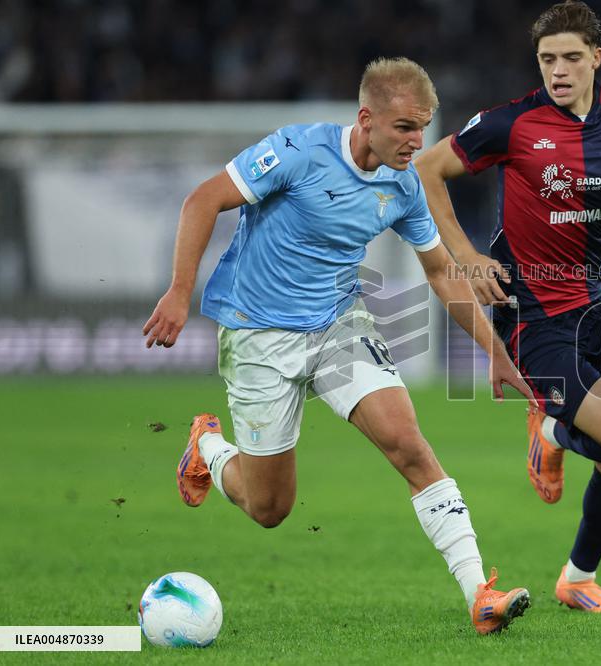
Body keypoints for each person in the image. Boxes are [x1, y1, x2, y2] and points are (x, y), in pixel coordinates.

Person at [141, 57, 533, 635]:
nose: (415, 141)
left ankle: (479, 593)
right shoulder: (298, 151)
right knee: (270, 509)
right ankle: (210, 450)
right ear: (366, 118)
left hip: (336, 323)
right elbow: (202, 200)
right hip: (257, 333)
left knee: (409, 443)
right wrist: (179, 291)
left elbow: (442, 272)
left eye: (422, 127)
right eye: (403, 127)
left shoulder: (404, 185)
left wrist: (494, 351)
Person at [415, 1, 601, 613]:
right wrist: (465, 255)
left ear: (596, 59)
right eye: (547, 58)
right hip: (530, 313)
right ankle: (551, 427)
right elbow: (427, 168)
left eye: (571, 58)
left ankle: (577, 577)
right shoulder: (513, 123)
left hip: (596, 300)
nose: (558, 70)